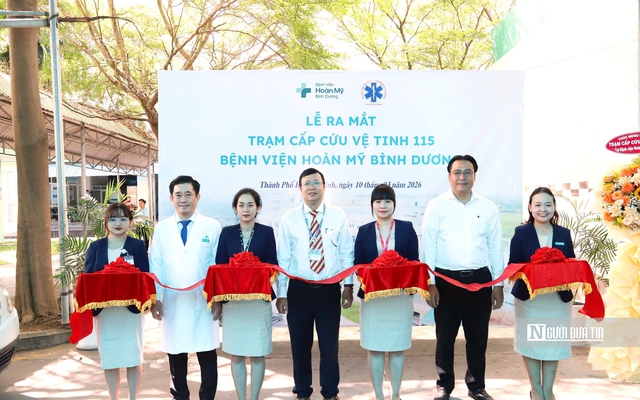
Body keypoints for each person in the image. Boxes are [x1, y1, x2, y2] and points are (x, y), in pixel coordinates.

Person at [422, 155, 504, 400]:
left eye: (467, 172)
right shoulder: (437, 206)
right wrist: (430, 283)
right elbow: (429, 247)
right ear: (449, 176)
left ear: (474, 176)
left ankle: (476, 386)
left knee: (478, 338)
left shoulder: (487, 207)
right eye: (457, 172)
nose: (462, 177)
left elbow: (495, 248)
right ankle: (444, 385)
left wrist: (498, 284)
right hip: (445, 281)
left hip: (480, 281)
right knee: (444, 338)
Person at [276, 167, 355, 400]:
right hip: (298, 290)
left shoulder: (337, 216)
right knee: (300, 345)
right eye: (307, 183)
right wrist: (282, 292)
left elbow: (346, 254)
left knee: (329, 346)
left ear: (324, 186)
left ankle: (330, 393)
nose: (311, 187)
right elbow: (283, 259)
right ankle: (302, 392)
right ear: (300, 189)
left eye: (316, 182)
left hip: (328, 290)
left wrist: (348, 286)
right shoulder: (289, 219)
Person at [149, 175, 222, 400]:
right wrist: (156, 298)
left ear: (197, 197)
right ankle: (179, 396)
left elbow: (217, 266)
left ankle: (207, 397)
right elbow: (156, 264)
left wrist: (217, 298)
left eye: (188, 194)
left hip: (203, 301)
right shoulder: (162, 229)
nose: (183, 199)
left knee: (207, 353)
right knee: (176, 355)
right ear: (171, 198)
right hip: (172, 302)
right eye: (178, 195)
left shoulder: (212, 226)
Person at [354, 184, 419, 400]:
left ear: (394, 204)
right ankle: (379, 395)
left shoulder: (407, 228)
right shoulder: (364, 231)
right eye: (378, 201)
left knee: (398, 347)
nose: (383, 206)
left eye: (387, 201)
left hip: (399, 298)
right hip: (374, 299)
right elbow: (358, 263)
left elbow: (414, 261)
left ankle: (396, 394)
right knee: (375, 347)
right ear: (372, 205)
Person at [509, 187, 575, 400]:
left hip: (557, 299)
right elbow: (513, 265)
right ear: (530, 207)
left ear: (554, 207)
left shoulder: (563, 233)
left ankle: (548, 390)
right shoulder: (521, 232)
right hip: (530, 299)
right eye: (537, 205)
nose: (542, 209)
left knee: (552, 344)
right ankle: (536, 390)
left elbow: (571, 263)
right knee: (531, 343)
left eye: (548, 204)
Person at [214, 188, 278, 400]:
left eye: (250, 205)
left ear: (258, 208)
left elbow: (272, 264)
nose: (246, 209)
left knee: (258, 354)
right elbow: (220, 265)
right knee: (237, 354)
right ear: (235, 208)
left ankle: (254, 397)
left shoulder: (267, 232)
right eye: (241, 205)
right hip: (234, 303)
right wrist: (219, 301)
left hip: (258, 301)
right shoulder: (227, 233)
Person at [84, 203, 149, 400]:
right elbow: (87, 277)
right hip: (106, 313)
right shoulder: (96, 247)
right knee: (110, 358)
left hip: (130, 312)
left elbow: (145, 276)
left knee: (133, 356)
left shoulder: (137, 246)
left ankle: (133, 398)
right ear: (106, 223)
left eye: (123, 219)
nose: (117, 223)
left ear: (131, 222)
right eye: (112, 219)